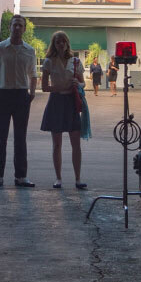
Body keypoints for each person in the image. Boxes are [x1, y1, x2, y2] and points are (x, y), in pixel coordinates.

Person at [0, 14, 38, 187]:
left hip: (22, 96)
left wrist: (31, 93)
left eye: (20, 25)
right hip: (3, 95)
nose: (17, 28)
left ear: (24, 29)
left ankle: (21, 176)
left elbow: (33, 74)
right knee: (1, 137)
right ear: (10, 27)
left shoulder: (29, 51)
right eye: (15, 25)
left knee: (20, 138)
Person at [40, 31, 87, 189]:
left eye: (63, 41)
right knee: (56, 144)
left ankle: (78, 179)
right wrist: (61, 87)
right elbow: (44, 87)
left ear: (67, 43)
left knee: (76, 144)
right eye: (57, 42)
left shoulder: (75, 61)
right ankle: (58, 178)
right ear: (54, 45)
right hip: (56, 101)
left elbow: (83, 83)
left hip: (71, 102)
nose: (61, 44)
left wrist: (78, 84)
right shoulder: (48, 62)